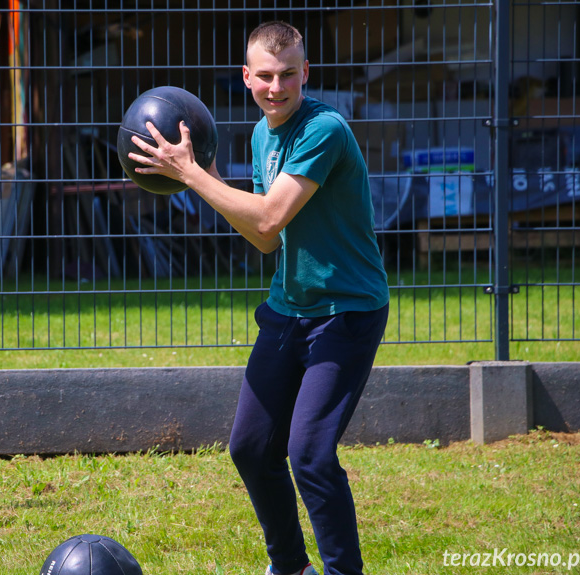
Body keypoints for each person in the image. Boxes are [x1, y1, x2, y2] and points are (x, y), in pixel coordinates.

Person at [127, 20, 389, 575]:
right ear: (246, 77)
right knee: (249, 447)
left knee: (311, 456)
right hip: (289, 310)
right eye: (265, 76)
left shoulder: (325, 129)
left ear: (305, 73)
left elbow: (269, 213)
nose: (277, 87)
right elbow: (267, 238)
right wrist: (212, 175)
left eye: (288, 74)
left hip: (347, 313)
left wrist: (193, 175)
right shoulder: (261, 133)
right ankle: (289, 567)